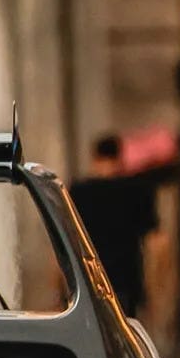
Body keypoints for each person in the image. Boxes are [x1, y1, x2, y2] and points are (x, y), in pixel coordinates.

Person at [68, 133, 160, 318]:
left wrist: (59, 287)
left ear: (94, 157)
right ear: (120, 157)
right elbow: (156, 243)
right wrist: (153, 287)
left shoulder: (79, 192)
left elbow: (66, 241)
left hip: (87, 283)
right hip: (126, 283)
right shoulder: (137, 190)